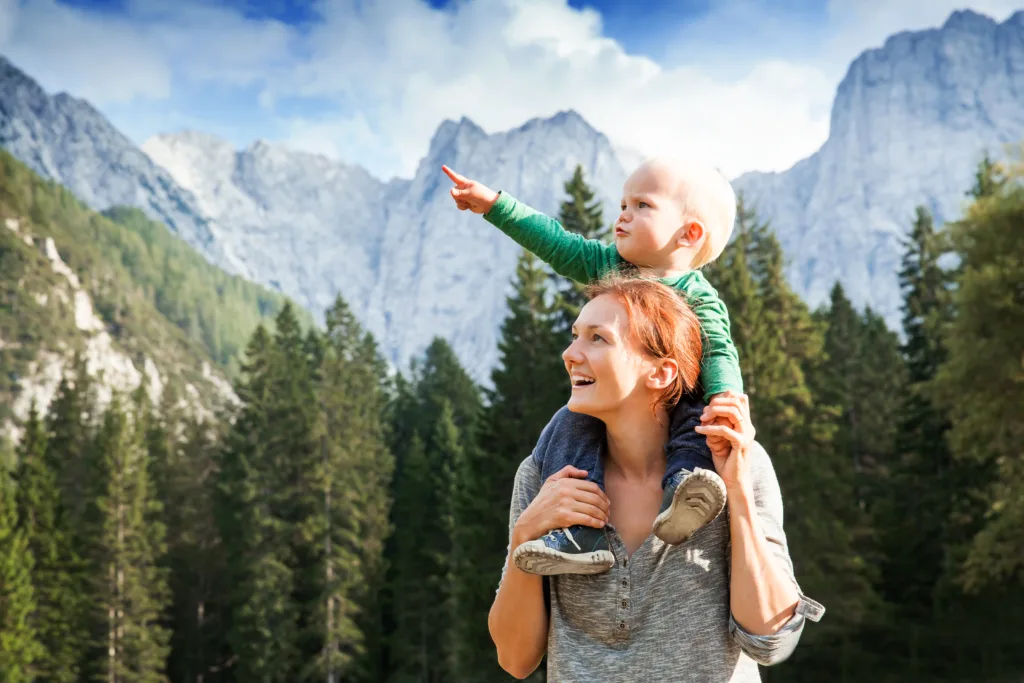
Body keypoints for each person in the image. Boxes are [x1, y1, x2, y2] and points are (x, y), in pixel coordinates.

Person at [487, 276, 824, 681]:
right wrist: (525, 536)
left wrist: (736, 494)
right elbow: (515, 658)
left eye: (598, 339)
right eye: (575, 336)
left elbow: (769, 640)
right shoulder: (545, 476)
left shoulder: (733, 465)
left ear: (662, 373)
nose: (570, 353)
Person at [442, 157, 741, 574]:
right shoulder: (609, 265)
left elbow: (720, 353)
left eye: (642, 205)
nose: (623, 214)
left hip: (674, 398)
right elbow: (554, 242)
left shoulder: (699, 297)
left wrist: (726, 397)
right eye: (622, 204)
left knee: (697, 422)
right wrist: (494, 204)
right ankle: (582, 532)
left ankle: (684, 493)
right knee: (569, 426)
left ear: (689, 234)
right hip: (609, 403)